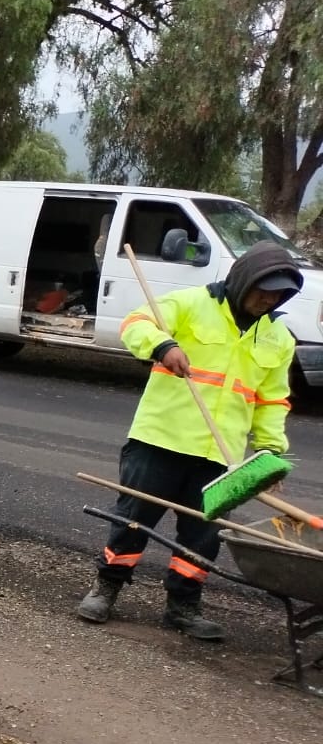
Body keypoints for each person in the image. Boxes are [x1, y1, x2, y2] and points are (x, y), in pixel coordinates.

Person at [78, 241, 303, 640]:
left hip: (221, 454)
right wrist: (163, 345)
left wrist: (270, 451)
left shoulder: (278, 338)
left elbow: (271, 401)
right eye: (262, 291)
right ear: (242, 281)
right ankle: (107, 587)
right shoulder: (189, 304)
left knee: (203, 534)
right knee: (134, 520)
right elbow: (135, 324)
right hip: (160, 438)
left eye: (278, 295)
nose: (267, 301)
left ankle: (183, 606)